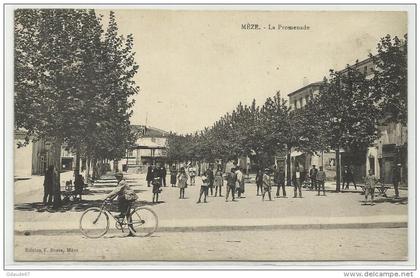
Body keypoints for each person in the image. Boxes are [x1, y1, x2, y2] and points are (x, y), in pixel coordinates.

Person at [106, 172, 138, 236]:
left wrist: (107, 196)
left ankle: (121, 215)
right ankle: (131, 231)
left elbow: (116, 191)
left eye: (117, 177)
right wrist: (111, 198)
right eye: (116, 177)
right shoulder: (120, 182)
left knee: (120, 199)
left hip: (129, 197)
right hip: (127, 197)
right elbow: (118, 192)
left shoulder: (122, 182)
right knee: (128, 214)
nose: (116, 178)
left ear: (120, 177)